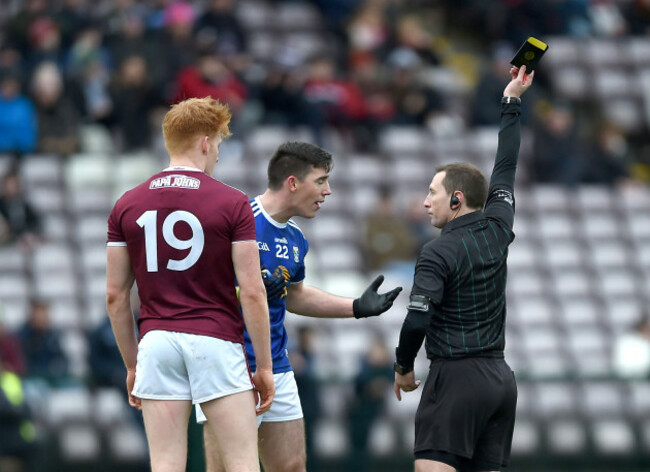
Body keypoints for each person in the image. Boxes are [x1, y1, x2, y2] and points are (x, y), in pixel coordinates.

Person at [198, 141, 403, 472]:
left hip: (276, 366)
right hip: (227, 368)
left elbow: (294, 296)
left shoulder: (295, 239)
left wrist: (355, 307)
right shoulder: (236, 224)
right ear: (293, 182)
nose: (329, 191)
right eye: (321, 181)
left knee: (292, 466)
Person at [106, 96, 275, 472]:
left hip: (156, 343)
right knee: (243, 463)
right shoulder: (233, 203)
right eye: (217, 143)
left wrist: (133, 364)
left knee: (166, 464)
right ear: (204, 142)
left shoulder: (126, 204)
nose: (216, 153)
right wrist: (263, 365)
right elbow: (251, 290)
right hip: (215, 341)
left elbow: (116, 296)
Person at [393, 65, 534, 472]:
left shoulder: (437, 252)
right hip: (500, 381)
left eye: (432, 192)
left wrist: (403, 368)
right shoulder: (498, 225)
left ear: (456, 199)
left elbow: (417, 320)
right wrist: (512, 101)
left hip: (456, 379)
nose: (425, 202)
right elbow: (506, 166)